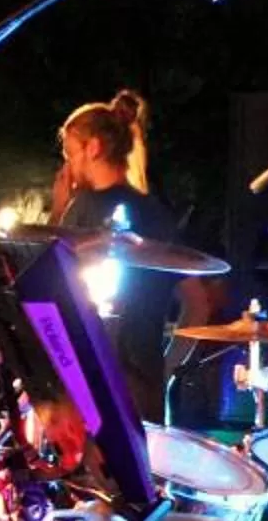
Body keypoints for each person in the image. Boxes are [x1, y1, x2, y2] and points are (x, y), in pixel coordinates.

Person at [52, 90, 186, 421]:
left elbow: (55, 286)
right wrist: (168, 367)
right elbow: (196, 301)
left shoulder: (81, 209)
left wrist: (57, 210)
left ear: (93, 147)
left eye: (71, 153)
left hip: (95, 381)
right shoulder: (153, 211)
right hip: (144, 382)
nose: (68, 165)